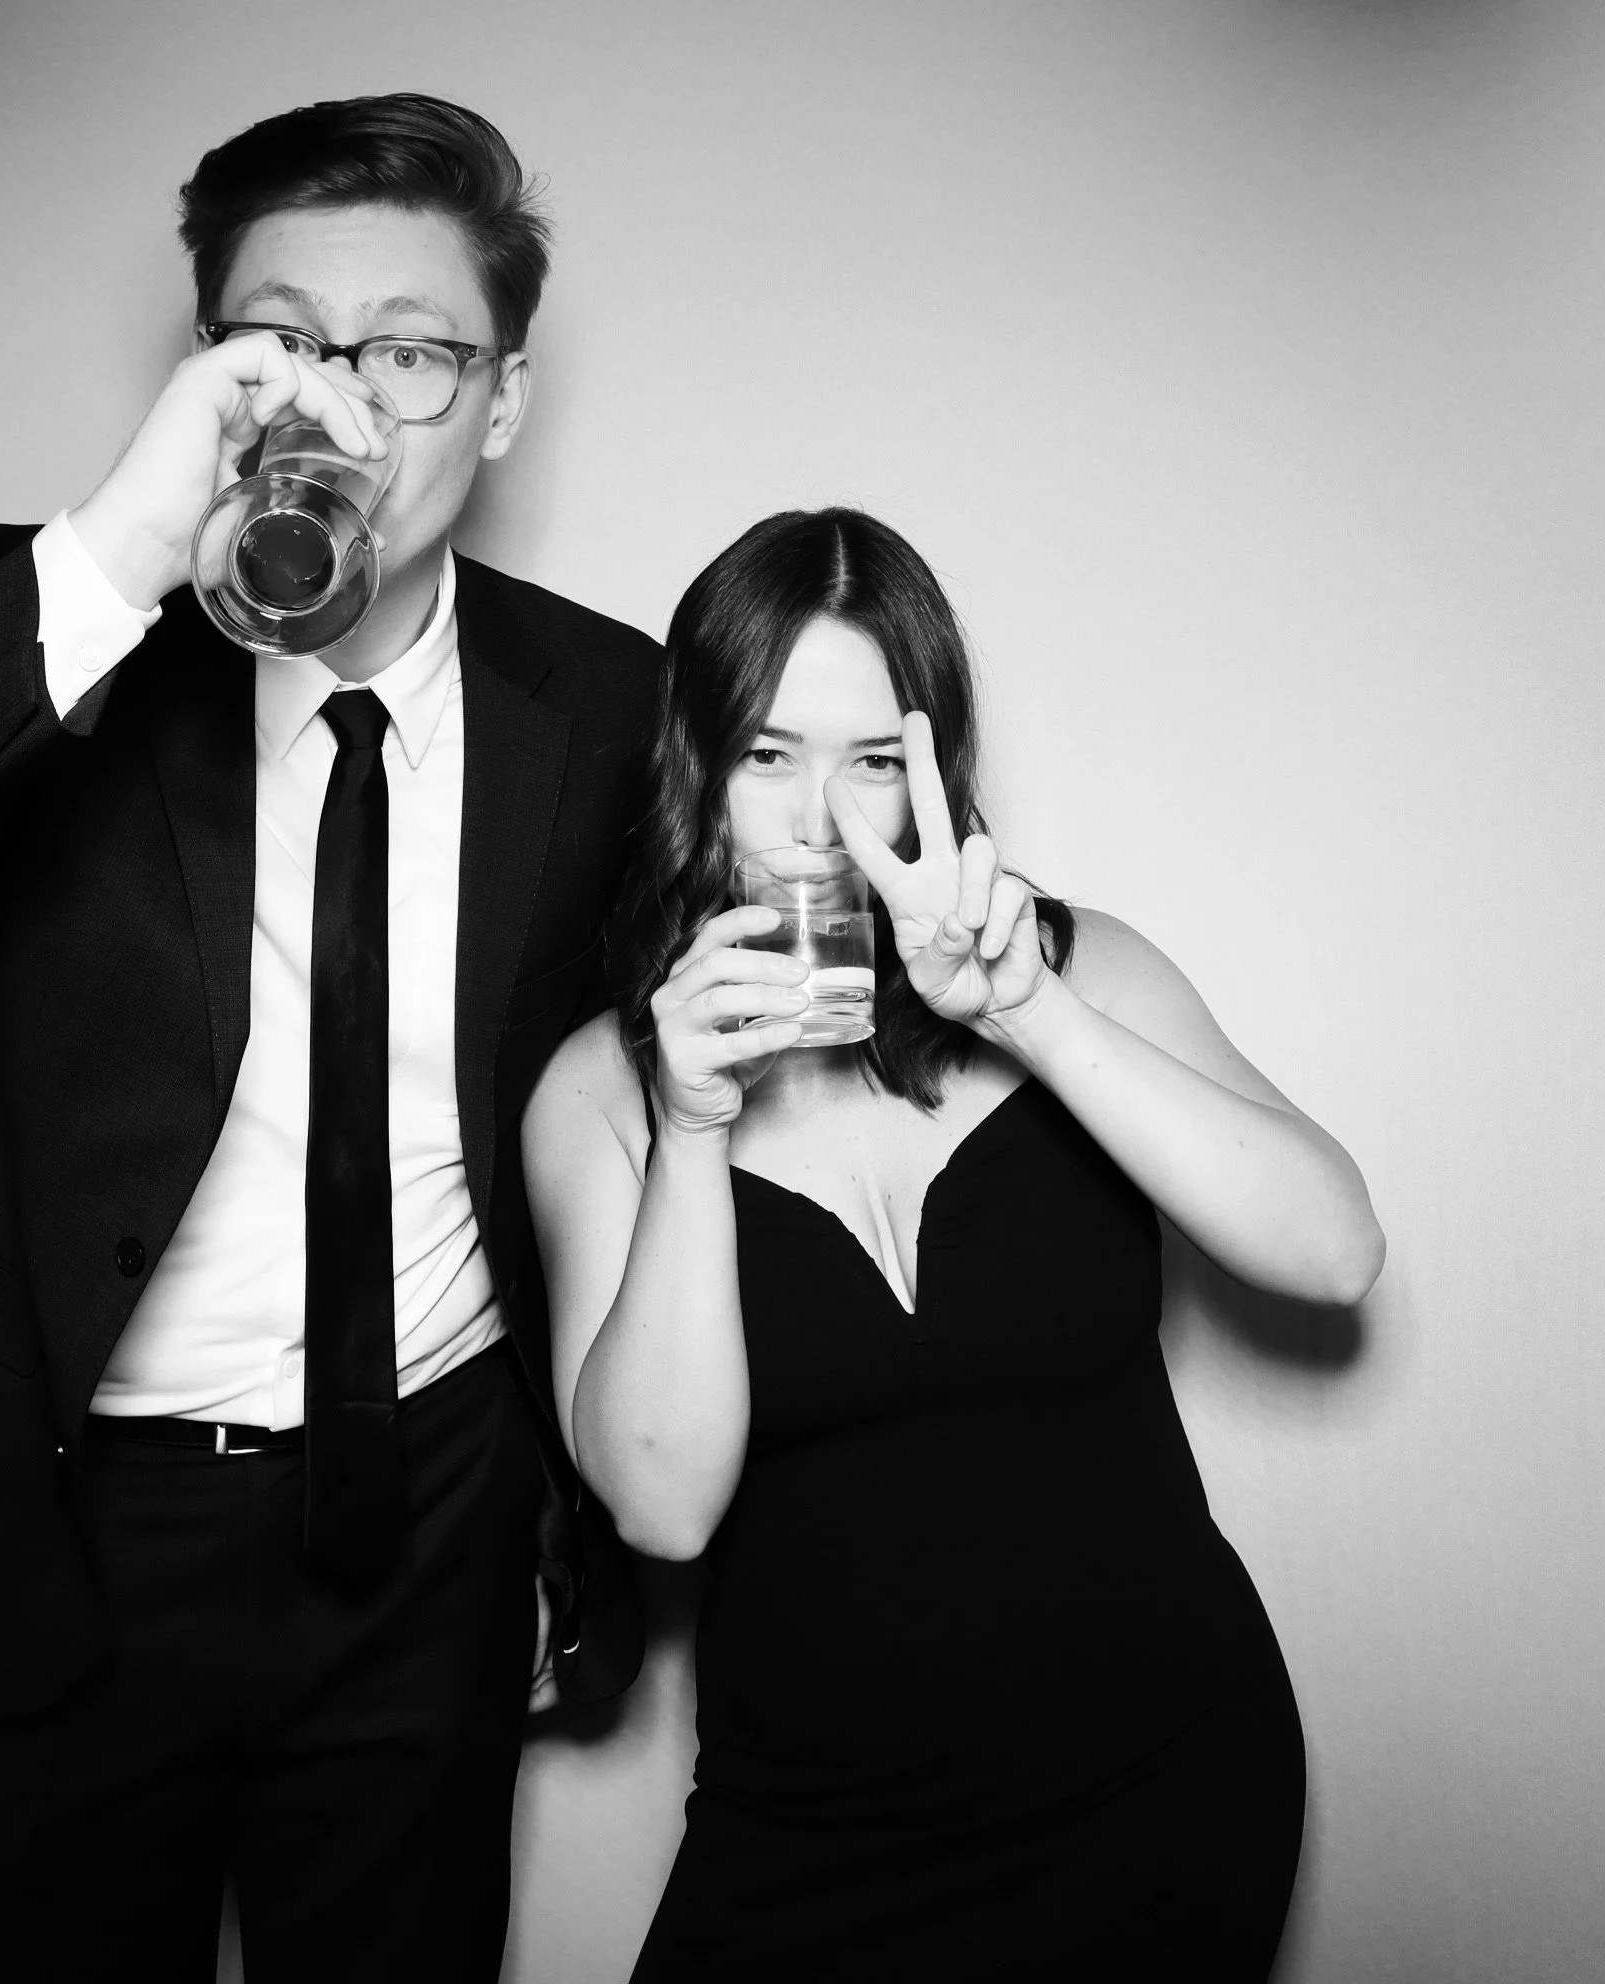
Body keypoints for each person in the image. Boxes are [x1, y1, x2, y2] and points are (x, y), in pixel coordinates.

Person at [0, 94, 654, 1982]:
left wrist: (560, 1501)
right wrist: (116, 547)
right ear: (209, 372)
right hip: (66, 1534)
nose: (342, 408)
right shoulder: (31, 613)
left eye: (414, 355)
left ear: (499, 402)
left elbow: (650, 1104)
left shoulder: (606, 701)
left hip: (428, 1523)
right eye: (281, 346)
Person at [523, 508, 1387, 1980]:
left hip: (1165, 1787)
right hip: (817, 1837)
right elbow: (661, 1507)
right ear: (696, 765)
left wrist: (1025, 1015)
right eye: (770, 755)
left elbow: (1333, 1253)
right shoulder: (603, 1091)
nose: (820, 822)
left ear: (933, 772)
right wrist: (692, 1124)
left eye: (873, 762)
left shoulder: (1083, 966)